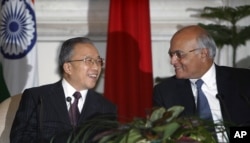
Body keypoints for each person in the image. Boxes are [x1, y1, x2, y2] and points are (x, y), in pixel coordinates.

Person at [10, 37, 117, 143]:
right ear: (68, 67)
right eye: (89, 60)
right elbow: (19, 139)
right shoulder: (37, 98)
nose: (96, 67)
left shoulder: (106, 108)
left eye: (98, 61)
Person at [153, 25, 250, 142]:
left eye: (179, 54)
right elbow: (159, 136)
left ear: (203, 53)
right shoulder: (165, 92)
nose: (172, 61)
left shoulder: (243, 80)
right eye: (171, 54)